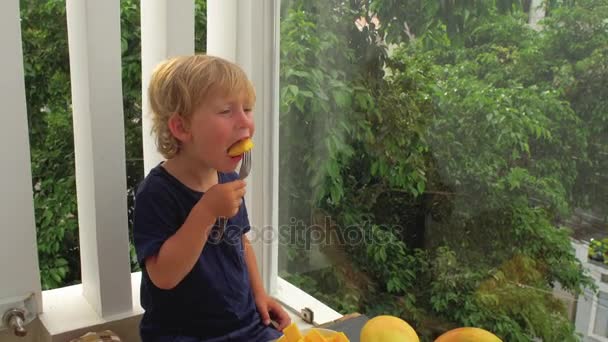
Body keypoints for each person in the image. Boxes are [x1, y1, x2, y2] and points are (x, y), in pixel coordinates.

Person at [133, 54, 290, 341]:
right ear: (182, 128)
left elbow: (240, 242)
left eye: (247, 109)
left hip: (246, 327)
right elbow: (163, 276)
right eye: (226, 111)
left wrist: (260, 296)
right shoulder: (156, 193)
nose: (245, 123)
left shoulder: (228, 178)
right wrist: (205, 211)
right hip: (182, 335)